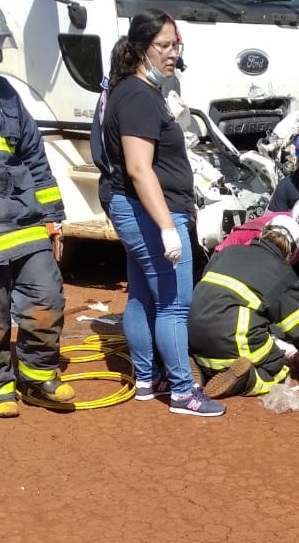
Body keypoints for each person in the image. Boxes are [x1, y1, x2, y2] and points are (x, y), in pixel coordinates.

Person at [96, 9, 224, 416]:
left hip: (138, 208)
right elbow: (138, 167)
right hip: (149, 211)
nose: (172, 54)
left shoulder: (133, 90)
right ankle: (183, 392)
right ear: (141, 48)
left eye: (176, 45)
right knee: (173, 302)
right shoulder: (137, 96)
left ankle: (149, 379)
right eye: (164, 46)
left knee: (141, 297)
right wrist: (168, 229)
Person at [0, 24, 74, 418]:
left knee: (46, 299)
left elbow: (36, 162)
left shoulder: (8, 97)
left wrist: (53, 218)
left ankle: (37, 375)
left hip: (24, 225)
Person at [189, 215, 299, 398]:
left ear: (263, 234)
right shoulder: (282, 273)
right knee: (277, 367)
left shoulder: (228, 251)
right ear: (291, 250)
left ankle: (198, 367)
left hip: (192, 334)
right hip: (231, 338)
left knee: (219, 348)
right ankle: (247, 379)